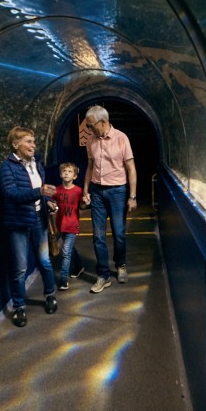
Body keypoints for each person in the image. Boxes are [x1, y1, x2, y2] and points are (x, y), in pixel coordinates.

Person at [0, 126, 58, 327]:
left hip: (39, 219)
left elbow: (38, 193)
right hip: (18, 223)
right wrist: (38, 192)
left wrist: (47, 201)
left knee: (45, 261)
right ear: (16, 144)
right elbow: (11, 193)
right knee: (20, 269)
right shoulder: (7, 167)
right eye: (28, 141)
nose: (34, 145)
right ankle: (20, 307)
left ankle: (50, 295)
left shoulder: (37, 165)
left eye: (34, 141)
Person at [81, 105, 137, 293]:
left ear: (102, 122)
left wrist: (132, 196)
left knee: (119, 233)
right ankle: (103, 274)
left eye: (90, 125)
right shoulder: (91, 141)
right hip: (97, 191)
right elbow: (89, 166)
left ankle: (120, 265)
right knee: (98, 236)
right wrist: (86, 190)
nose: (88, 129)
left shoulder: (122, 138)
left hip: (117, 192)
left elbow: (131, 169)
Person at [53, 162, 85, 290]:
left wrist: (86, 201)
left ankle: (63, 279)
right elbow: (53, 204)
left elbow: (82, 206)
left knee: (66, 252)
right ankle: (79, 266)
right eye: (64, 171)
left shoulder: (78, 191)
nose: (66, 173)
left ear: (75, 176)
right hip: (60, 225)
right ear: (60, 174)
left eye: (70, 171)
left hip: (72, 225)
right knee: (69, 249)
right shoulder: (57, 190)